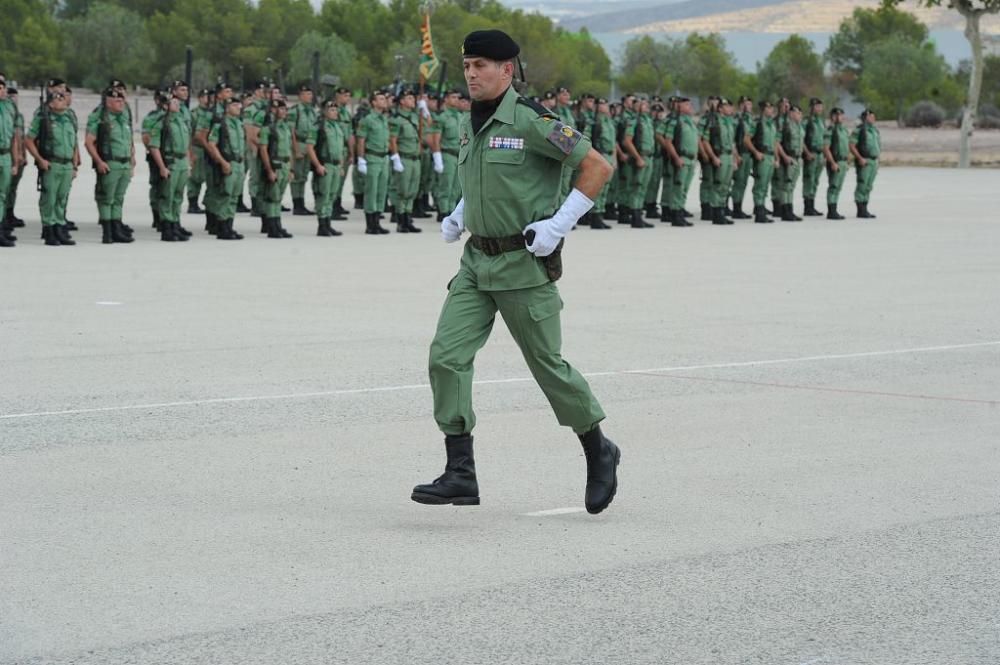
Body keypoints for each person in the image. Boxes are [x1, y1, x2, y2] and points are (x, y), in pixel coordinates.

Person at [412, 29, 620, 515]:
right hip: (476, 265)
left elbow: (597, 167)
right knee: (445, 357)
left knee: (548, 367)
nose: (471, 74)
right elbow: (484, 178)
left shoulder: (533, 121)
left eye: (481, 65)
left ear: (507, 70)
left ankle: (598, 448)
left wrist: (558, 224)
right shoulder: (470, 122)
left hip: (523, 265)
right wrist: (462, 211)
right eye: (467, 66)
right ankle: (460, 470)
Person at [25, 91, 78, 246]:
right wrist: (40, 159)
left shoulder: (69, 119)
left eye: (63, 98)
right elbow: (29, 140)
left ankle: (59, 228)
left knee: (62, 198)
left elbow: (74, 143)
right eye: (58, 99)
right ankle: (49, 229)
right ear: (50, 103)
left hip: (67, 164)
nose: (62, 101)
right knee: (50, 198)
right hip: (51, 163)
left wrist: (74, 165)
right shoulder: (43, 119)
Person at [85, 88, 135, 243]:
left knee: (119, 198)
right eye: (117, 101)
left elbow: (130, 142)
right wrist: (99, 161)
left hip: (124, 163)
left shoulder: (124, 120)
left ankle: (116, 229)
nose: (121, 103)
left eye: (122, 100)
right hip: (111, 163)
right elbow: (89, 142)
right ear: (108, 103)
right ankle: (107, 232)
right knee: (107, 198)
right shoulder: (102, 120)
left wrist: (132, 160)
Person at [149, 93, 193, 242]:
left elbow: (186, 144)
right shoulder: (162, 123)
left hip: (181, 163)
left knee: (178, 197)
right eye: (173, 102)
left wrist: (188, 163)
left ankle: (175, 225)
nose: (177, 104)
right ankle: (166, 229)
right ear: (166, 106)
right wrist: (162, 167)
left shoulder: (181, 122)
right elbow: (154, 147)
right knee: (167, 196)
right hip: (171, 162)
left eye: (177, 102)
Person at [204, 96, 248, 240]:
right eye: (235, 105)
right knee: (225, 195)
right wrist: (222, 162)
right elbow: (211, 144)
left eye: (239, 105)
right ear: (227, 107)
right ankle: (222, 227)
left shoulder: (240, 124)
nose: (239, 108)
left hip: (239, 164)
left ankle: (229, 226)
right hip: (228, 163)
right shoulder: (220, 124)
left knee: (234, 197)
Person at [304, 99, 346, 237]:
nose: (335, 112)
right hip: (325, 164)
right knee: (323, 195)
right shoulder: (318, 127)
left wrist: (340, 165)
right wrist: (317, 165)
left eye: (336, 110)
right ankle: (322, 226)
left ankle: (328, 224)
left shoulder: (337, 126)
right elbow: (310, 148)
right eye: (331, 110)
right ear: (324, 111)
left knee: (332, 195)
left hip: (335, 165)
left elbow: (340, 148)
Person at [355, 90, 391, 235]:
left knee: (381, 191)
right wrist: (361, 159)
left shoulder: (384, 119)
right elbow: (361, 141)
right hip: (372, 158)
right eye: (381, 99)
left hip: (384, 158)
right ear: (373, 103)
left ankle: (377, 222)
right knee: (372, 191)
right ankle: (370, 224)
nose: (384, 101)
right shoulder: (367, 120)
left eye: (384, 98)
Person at [258, 99, 295, 238]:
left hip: (285, 165)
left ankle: (278, 225)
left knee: (279, 197)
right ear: (273, 111)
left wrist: (291, 169)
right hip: (275, 164)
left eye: (285, 109)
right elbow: (263, 150)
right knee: (272, 197)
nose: (284, 111)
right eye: (280, 109)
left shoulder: (285, 127)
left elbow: (289, 149)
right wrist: (269, 170)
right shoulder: (267, 129)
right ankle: (272, 226)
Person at [388, 88, 423, 233]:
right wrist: (396, 157)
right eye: (409, 98)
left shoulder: (415, 117)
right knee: (403, 191)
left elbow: (420, 135)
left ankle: (408, 219)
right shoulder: (396, 119)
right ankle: (401, 221)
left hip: (415, 159)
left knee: (413, 190)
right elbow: (392, 140)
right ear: (402, 101)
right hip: (404, 158)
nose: (412, 101)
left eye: (413, 98)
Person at [701, 97, 737, 225]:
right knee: (718, 184)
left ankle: (722, 210)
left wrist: (734, 158)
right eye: (727, 107)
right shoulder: (714, 121)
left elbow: (732, 142)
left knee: (726, 186)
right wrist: (713, 157)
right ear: (720, 109)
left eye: (730, 106)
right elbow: (705, 140)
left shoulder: (729, 122)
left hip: (728, 156)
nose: (730, 109)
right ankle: (716, 213)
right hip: (720, 155)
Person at [662, 96, 697, 227]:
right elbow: (668, 141)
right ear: (679, 107)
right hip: (681, 158)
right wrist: (676, 157)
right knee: (678, 187)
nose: (690, 107)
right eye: (687, 105)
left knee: (684, 189)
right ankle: (675, 215)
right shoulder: (675, 122)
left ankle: (680, 212)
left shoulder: (690, 122)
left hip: (690, 160)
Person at [288, 83, 317, 216]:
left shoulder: (311, 110)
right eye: (306, 94)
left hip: (309, 145)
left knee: (304, 175)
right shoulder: (295, 110)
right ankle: (297, 204)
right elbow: (291, 131)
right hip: (299, 143)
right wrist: (296, 149)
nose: (309, 97)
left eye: (310, 94)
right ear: (300, 96)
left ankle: (302, 203)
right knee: (297, 176)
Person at [747, 100, 777, 224]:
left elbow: (775, 142)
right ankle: (759, 212)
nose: (772, 111)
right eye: (769, 108)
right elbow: (746, 139)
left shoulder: (772, 124)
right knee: (760, 185)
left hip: (770, 156)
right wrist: (755, 152)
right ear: (764, 110)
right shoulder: (757, 124)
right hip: (762, 156)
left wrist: (776, 157)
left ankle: (762, 209)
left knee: (765, 185)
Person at [0, 79, 21, 247]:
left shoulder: (9, 108)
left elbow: (14, 137)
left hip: (5, 155)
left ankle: (1, 229)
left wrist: (15, 161)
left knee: (2, 195)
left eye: (2, 88)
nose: (1, 91)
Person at [850, 109, 880, 219]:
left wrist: (877, 159)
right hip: (864, 161)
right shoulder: (860, 130)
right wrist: (859, 158)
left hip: (873, 161)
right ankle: (860, 210)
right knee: (862, 185)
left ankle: (865, 208)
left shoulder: (875, 130)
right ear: (866, 117)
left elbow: (877, 146)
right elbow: (852, 145)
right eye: (871, 116)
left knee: (868, 186)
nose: (873, 118)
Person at [776, 104, 804, 222]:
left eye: (800, 113)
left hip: (797, 158)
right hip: (788, 158)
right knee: (786, 186)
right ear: (791, 113)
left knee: (791, 186)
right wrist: (784, 157)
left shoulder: (799, 127)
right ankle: (785, 211)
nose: (800, 115)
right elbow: (776, 142)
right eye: (797, 113)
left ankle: (790, 210)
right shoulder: (785, 126)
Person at [728, 95, 754, 219]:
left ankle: (739, 207)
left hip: (748, 154)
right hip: (740, 153)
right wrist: (736, 155)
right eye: (744, 104)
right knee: (738, 182)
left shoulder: (751, 119)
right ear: (740, 105)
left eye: (749, 104)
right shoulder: (736, 119)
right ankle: (735, 208)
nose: (747, 106)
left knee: (743, 182)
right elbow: (732, 138)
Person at [823, 107, 849, 220]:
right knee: (833, 186)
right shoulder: (830, 130)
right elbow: (826, 148)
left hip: (843, 162)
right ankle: (831, 211)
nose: (839, 117)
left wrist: (847, 160)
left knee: (838, 187)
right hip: (835, 161)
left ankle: (835, 209)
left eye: (841, 115)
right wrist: (832, 162)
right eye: (836, 115)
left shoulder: (844, 130)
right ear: (832, 117)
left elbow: (846, 146)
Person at [801, 98, 826, 216]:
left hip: (820, 155)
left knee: (815, 181)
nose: (819, 109)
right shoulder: (807, 122)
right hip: (811, 154)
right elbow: (801, 139)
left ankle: (812, 205)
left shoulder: (821, 121)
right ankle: (807, 207)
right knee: (809, 180)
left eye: (820, 106)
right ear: (811, 108)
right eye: (817, 106)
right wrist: (806, 153)